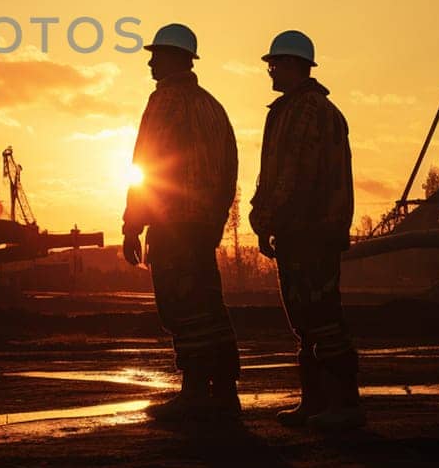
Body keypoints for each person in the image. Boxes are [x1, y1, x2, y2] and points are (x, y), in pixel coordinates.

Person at [122, 23, 240, 421]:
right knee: (209, 306)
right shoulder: (212, 106)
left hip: (173, 224)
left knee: (181, 308)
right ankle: (223, 392)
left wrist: (132, 223)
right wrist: (215, 220)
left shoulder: (165, 102)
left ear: (175, 58)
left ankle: (193, 393)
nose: (150, 62)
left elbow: (148, 164)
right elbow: (229, 170)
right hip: (202, 227)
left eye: (156, 55)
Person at [249, 30, 363, 431]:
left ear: (295, 65)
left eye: (275, 64)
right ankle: (316, 402)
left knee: (321, 316)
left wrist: (264, 220)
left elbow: (291, 176)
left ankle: (342, 404)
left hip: (310, 232)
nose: (270, 71)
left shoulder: (305, 113)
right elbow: (275, 174)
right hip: (305, 230)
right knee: (307, 320)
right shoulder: (293, 110)